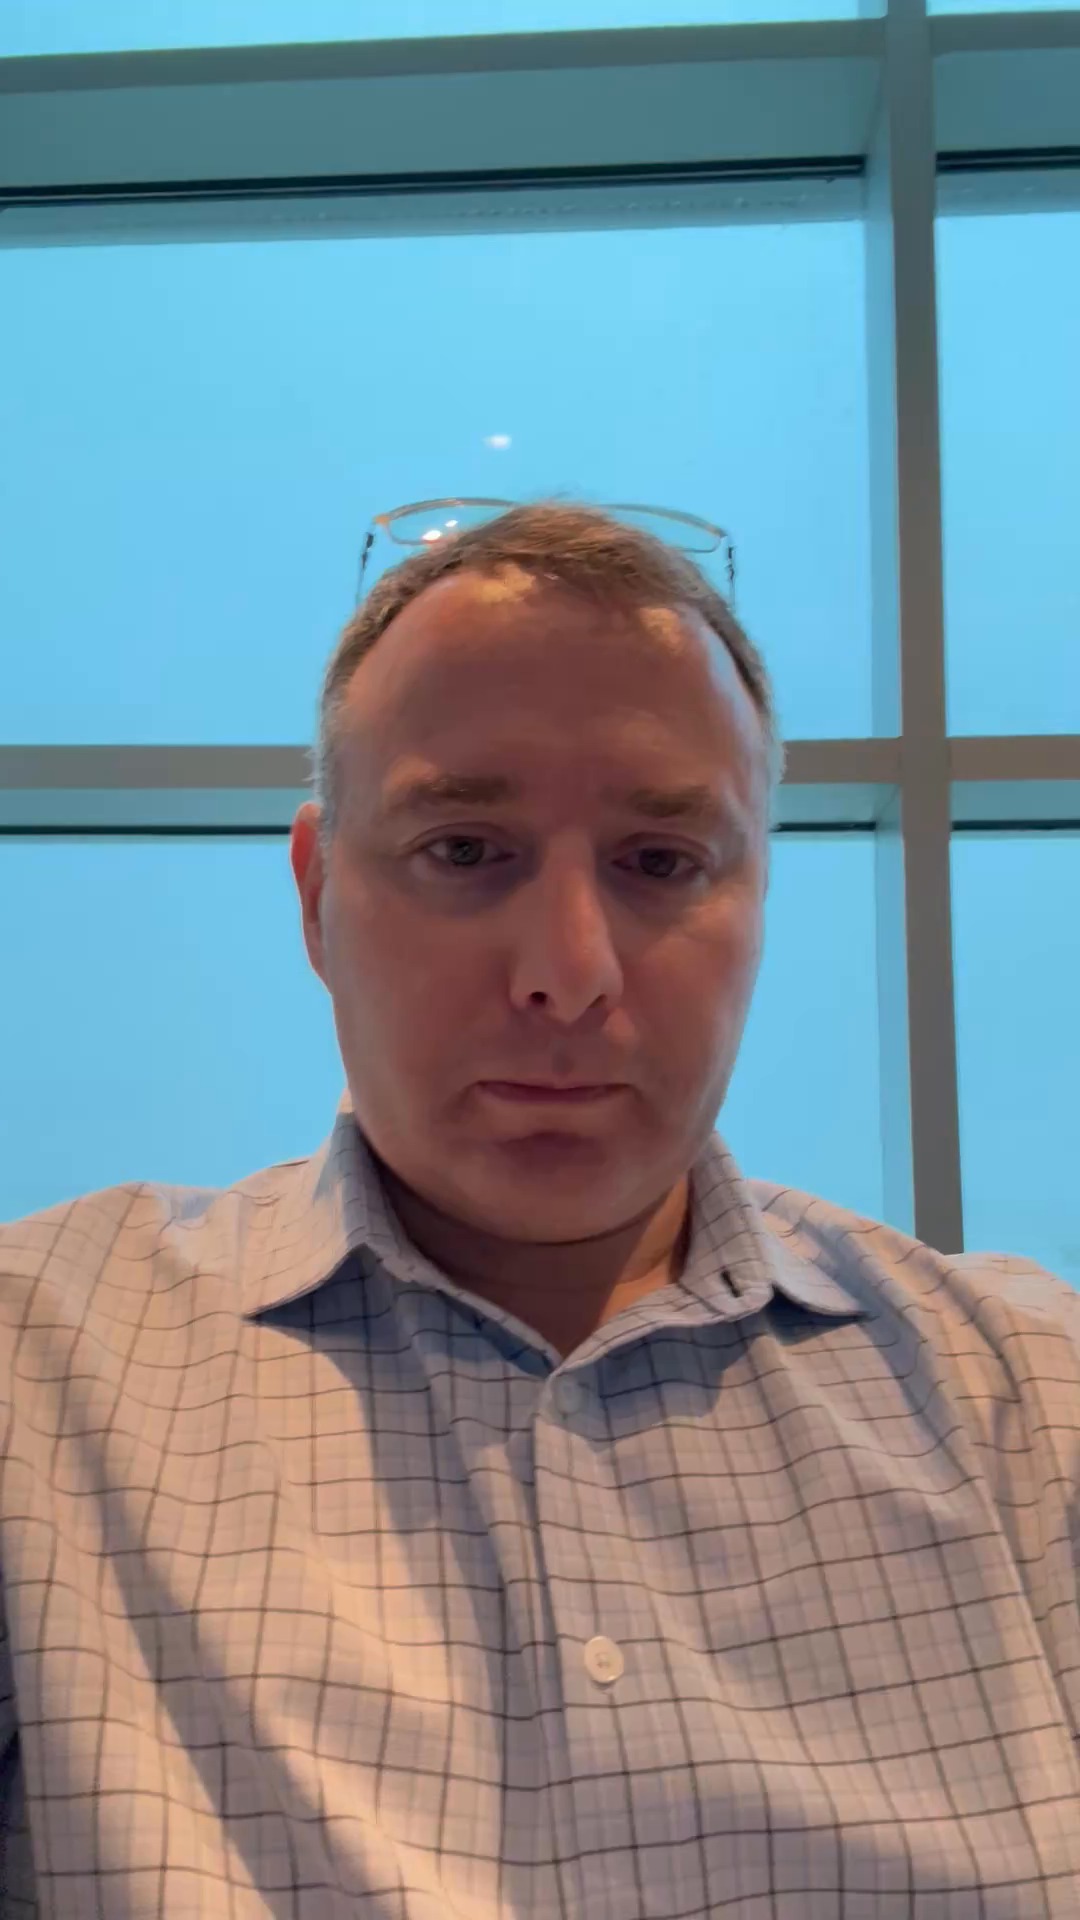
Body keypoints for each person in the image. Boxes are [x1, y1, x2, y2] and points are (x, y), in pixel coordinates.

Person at [1, 500, 1078, 1918]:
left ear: (759, 902)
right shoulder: (38, 1379)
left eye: (659, 862)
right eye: (465, 850)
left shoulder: (1030, 1403)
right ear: (317, 899)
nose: (568, 972)